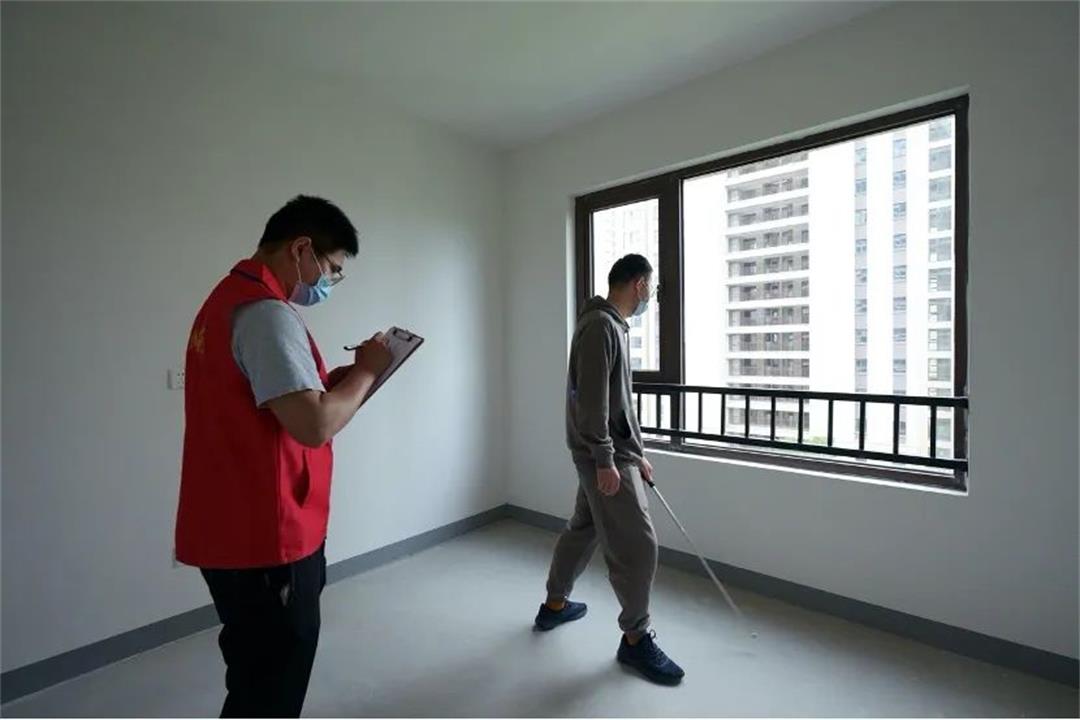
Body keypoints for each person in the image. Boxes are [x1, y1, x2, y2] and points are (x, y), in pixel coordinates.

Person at [174, 195, 392, 717]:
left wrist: (346, 382)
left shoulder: (228, 300)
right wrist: (368, 370)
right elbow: (313, 425)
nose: (329, 283)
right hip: (267, 538)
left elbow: (279, 403)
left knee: (254, 674)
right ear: (301, 249)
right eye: (332, 270)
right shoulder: (266, 315)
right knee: (271, 688)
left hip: (229, 523)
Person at [534, 253, 685, 686]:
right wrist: (605, 458)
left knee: (584, 528)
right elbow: (592, 401)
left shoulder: (608, 324)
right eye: (651, 287)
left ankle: (555, 605)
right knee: (640, 546)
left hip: (613, 453)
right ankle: (636, 637)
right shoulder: (601, 326)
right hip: (604, 456)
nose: (651, 296)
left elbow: (619, 404)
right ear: (639, 284)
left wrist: (637, 453)